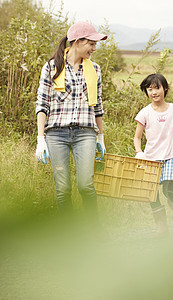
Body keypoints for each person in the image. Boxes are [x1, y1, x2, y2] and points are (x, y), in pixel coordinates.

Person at [35, 22, 107, 226]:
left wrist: (100, 137)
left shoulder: (95, 69)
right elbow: (42, 104)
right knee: (63, 188)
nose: (94, 48)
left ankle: (94, 229)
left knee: (85, 185)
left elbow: (98, 105)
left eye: (95, 44)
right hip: (56, 134)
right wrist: (41, 139)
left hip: (85, 133)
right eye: (91, 43)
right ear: (77, 42)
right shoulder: (52, 66)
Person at [134, 73, 173, 237]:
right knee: (152, 194)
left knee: (169, 190)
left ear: (165, 88)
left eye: (156, 88)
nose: (154, 92)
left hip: (170, 156)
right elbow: (137, 136)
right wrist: (139, 152)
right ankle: (161, 227)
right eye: (149, 89)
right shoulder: (144, 113)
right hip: (151, 159)